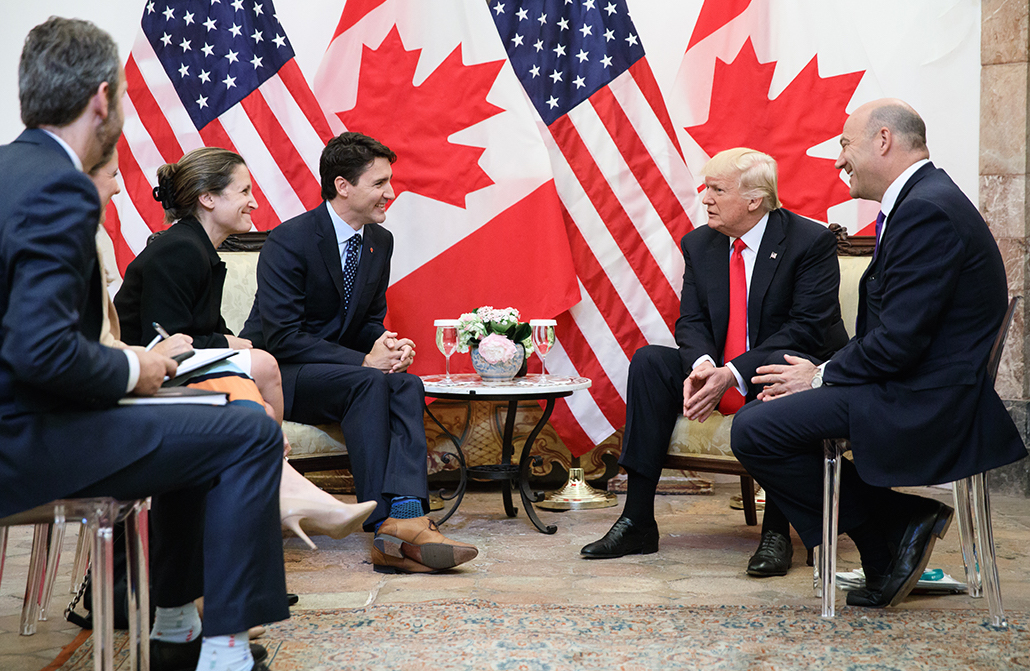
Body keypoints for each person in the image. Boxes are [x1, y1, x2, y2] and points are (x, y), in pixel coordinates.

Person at [0, 17, 286, 671]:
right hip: (27, 435)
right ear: (103, 98)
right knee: (249, 431)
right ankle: (225, 652)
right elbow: (40, 351)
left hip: (27, 417)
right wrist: (139, 367)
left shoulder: (8, 169)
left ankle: (177, 628)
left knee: (212, 418)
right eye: (125, 98)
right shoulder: (58, 187)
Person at [732, 99, 1028, 608]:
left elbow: (898, 342)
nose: (839, 159)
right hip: (912, 382)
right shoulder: (922, 201)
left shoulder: (926, 210)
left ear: (884, 140)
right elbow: (898, 335)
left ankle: (892, 528)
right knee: (770, 414)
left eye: (845, 144)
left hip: (924, 398)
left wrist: (820, 375)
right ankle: (892, 533)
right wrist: (823, 374)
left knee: (757, 428)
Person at [581, 148, 848, 578]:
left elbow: (804, 329)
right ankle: (637, 521)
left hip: (787, 368)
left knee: (779, 375)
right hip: (722, 365)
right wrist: (704, 365)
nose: (704, 198)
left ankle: (777, 532)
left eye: (717, 189)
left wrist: (734, 372)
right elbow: (691, 319)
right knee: (650, 362)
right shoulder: (700, 243)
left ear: (754, 199)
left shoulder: (808, 242)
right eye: (706, 187)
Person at [114, 146, 378, 549]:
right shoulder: (180, 249)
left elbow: (200, 329)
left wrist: (226, 340)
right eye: (243, 191)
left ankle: (272, 491)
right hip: (147, 379)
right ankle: (279, 486)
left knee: (263, 384)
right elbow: (165, 339)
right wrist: (229, 342)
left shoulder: (201, 249)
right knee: (265, 364)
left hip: (180, 371)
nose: (254, 202)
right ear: (208, 198)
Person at [241, 131, 479, 574]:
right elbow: (282, 336)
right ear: (342, 186)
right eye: (380, 183)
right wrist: (364, 362)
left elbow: (366, 319)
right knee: (369, 381)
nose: (391, 192)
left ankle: (407, 517)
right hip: (282, 373)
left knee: (405, 383)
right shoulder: (290, 240)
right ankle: (384, 524)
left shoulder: (378, 242)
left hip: (342, 375)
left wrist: (384, 344)